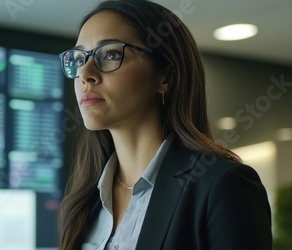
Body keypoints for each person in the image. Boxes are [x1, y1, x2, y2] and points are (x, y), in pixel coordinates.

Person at [57, 0, 272, 249]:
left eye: (111, 54)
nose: (85, 73)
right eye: (79, 58)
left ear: (165, 76)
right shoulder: (82, 202)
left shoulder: (223, 186)